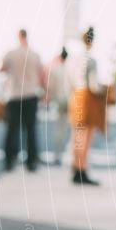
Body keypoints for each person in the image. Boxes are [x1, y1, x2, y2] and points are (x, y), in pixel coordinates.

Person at [0, 28, 45, 171]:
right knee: (30, 130)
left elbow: (1, 69)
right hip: (31, 95)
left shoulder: (10, 54)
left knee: (12, 130)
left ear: (18, 37)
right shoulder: (35, 55)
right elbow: (41, 75)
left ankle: (9, 160)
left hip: (13, 95)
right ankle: (31, 162)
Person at [65, 27, 106, 185]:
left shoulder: (72, 59)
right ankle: (82, 170)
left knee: (76, 137)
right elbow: (94, 86)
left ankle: (75, 169)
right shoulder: (91, 60)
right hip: (87, 99)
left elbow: (68, 82)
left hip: (75, 97)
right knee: (86, 138)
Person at [45, 47, 69, 166]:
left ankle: (57, 156)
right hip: (70, 102)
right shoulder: (70, 69)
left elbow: (50, 87)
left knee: (59, 130)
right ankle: (71, 155)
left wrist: (50, 99)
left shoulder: (55, 69)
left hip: (59, 102)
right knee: (71, 130)